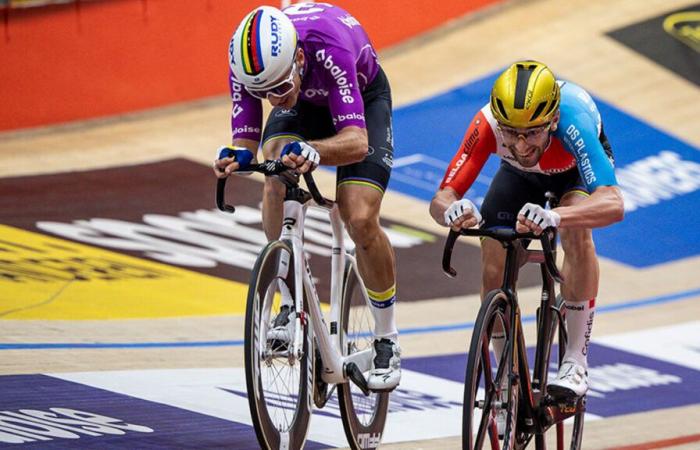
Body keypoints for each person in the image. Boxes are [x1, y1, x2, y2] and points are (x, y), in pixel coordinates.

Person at [214, 3, 400, 391]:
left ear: (299, 58)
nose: (273, 100)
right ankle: (288, 299)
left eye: (278, 88)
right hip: (305, 105)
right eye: (262, 93)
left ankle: (387, 338)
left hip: (361, 100)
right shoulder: (250, 66)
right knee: (275, 172)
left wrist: (315, 150)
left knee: (359, 216)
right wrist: (236, 156)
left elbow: (356, 142)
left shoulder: (329, 48)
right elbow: (246, 140)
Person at [430, 60, 624, 399]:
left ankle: (575, 361)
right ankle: (507, 380)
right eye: (511, 133)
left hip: (572, 172)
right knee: (494, 251)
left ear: (552, 120)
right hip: (520, 177)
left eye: (532, 133)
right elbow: (442, 198)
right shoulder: (487, 123)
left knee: (577, 231)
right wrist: (452, 211)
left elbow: (613, 204)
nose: (520, 146)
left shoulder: (573, 119)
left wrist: (557, 217)